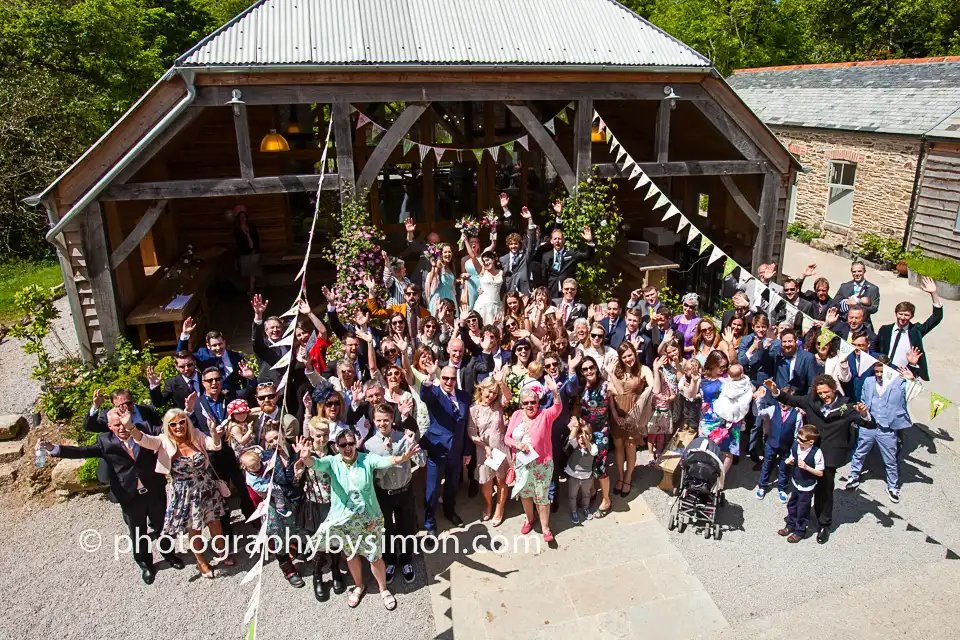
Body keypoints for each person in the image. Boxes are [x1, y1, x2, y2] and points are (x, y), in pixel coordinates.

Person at [38, 406, 185, 584]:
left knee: (163, 526)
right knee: (138, 533)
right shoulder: (104, 441)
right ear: (110, 426)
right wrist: (53, 448)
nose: (122, 428)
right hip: (129, 495)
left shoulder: (143, 429)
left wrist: (187, 411)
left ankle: (169, 555)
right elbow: (82, 451)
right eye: (117, 425)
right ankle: (146, 565)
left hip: (154, 490)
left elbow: (167, 429)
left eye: (124, 423)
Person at [296, 427, 422, 611]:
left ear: (356, 444)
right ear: (337, 446)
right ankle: (359, 586)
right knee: (352, 555)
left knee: (374, 556)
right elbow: (314, 464)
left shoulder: (366, 459)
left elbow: (386, 461)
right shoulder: (332, 462)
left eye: (351, 443)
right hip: (344, 519)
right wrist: (306, 456)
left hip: (369, 518)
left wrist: (403, 457)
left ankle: (383, 589)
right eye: (343, 444)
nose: (347, 447)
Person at [764, 375, 871, 544]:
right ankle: (796, 522)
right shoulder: (810, 400)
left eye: (826, 392)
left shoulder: (847, 406)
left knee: (825, 491)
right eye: (820, 393)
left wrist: (864, 413)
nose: (823, 396)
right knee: (801, 490)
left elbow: (868, 424)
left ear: (834, 389)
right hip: (809, 452)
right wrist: (774, 390)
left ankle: (824, 524)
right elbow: (790, 399)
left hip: (831, 455)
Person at [129, 408, 232, 578]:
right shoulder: (163, 441)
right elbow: (143, 440)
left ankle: (222, 553)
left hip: (206, 487)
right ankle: (201, 563)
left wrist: (214, 432)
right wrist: (131, 427)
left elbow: (214, 445)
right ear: (167, 426)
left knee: (215, 524)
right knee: (195, 529)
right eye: (173, 424)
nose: (179, 426)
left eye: (182, 421)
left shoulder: (196, 434)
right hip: (185, 493)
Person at [364, 404, 425, 585]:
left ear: (392, 419)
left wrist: (413, 442)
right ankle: (390, 560)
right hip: (384, 493)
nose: (382, 423)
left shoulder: (403, 438)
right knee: (387, 529)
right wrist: (388, 453)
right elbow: (374, 475)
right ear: (374, 421)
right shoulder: (370, 445)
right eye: (379, 420)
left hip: (404, 490)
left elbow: (421, 462)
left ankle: (406, 560)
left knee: (406, 527)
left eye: (386, 420)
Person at [847, 356, 915, 503]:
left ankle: (893, 486)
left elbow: (914, 391)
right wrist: (862, 411)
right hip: (869, 424)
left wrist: (911, 379)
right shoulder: (868, 382)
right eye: (876, 371)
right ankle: (854, 476)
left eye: (881, 371)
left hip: (887, 427)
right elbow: (864, 401)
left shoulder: (899, 382)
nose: (878, 375)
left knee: (890, 459)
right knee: (860, 452)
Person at [505, 376, 563, 543]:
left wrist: (555, 392)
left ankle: (545, 527)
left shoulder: (545, 415)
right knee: (525, 494)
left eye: (533, 402)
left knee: (542, 496)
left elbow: (558, 408)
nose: (529, 405)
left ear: (538, 403)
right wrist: (517, 444)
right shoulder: (516, 415)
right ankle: (529, 519)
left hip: (542, 465)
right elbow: (507, 438)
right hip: (522, 464)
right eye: (526, 403)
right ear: (521, 404)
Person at [419, 362, 470, 535]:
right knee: (433, 490)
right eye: (445, 378)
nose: (449, 382)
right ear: (440, 379)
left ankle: (450, 512)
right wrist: (430, 377)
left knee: (452, 486)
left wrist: (467, 451)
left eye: (452, 379)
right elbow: (424, 395)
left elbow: (466, 425)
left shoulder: (464, 397)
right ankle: (430, 524)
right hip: (437, 450)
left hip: (456, 450)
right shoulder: (434, 394)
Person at [873, 275, 943, 380]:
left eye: (906, 315)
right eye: (900, 314)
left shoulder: (916, 330)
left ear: (912, 316)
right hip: (885, 371)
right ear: (896, 313)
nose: (903, 318)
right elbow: (877, 348)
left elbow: (936, 317)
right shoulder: (885, 330)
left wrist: (933, 293)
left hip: (905, 374)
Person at [608, 341, 653, 498]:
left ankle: (628, 479)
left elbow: (652, 387)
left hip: (634, 414)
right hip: (618, 414)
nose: (628, 359)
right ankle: (620, 477)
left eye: (630, 355)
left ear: (635, 353)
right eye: (624, 356)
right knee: (619, 447)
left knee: (631, 446)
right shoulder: (616, 371)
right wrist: (614, 415)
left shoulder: (643, 369)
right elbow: (612, 396)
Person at [468, 372, 512, 527]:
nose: (492, 395)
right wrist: (484, 446)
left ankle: (500, 508)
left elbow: (508, 396)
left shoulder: (498, 404)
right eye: (489, 391)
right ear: (482, 389)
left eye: (495, 392)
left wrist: (501, 383)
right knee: (485, 482)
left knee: (501, 480)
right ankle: (488, 503)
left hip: (500, 448)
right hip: (484, 451)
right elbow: (472, 433)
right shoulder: (474, 409)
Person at [577, 356, 613, 518]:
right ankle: (592, 492)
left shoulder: (604, 385)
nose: (589, 371)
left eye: (591, 367)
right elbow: (577, 406)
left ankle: (606, 500)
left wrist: (610, 373)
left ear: (596, 368)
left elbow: (617, 391)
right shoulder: (581, 387)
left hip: (601, 432)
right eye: (585, 369)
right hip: (585, 431)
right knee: (588, 464)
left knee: (600, 467)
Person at [176, 317, 251, 393]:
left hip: (233, 396)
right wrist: (185, 334)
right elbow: (182, 357)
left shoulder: (236, 356)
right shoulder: (202, 355)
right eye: (214, 345)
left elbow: (244, 379)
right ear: (208, 346)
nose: (218, 348)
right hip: (211, 397)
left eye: (220, 344)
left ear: (224, 342)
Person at [531, 209, 596, 297]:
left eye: (559, 239)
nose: (557, 241)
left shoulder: (571, 253)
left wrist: (589, 241)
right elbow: (543, 276)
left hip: (568, 292)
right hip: (551, 292)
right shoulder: (546, 256)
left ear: (563, 240)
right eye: (555, 239)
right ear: (551, 241)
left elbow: (588, 256)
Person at [778, 424, 825, 543]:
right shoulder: (796, 446)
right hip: (795, 481)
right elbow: (792, 456)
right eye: (797, 438)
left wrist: (807, 467)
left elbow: (820, 473)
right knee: (792, 505)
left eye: (801, 440)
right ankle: (790, 525)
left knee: (802, 509)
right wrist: (790, 460)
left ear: (811, 442)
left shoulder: (817, 453)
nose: (798, 441)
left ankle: (799, 531)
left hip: (807, 486)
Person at [756, 389, 803, 503]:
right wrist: (760, 399)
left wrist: (794, 452)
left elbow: (797, 434)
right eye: (781, 401)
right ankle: (762, 486)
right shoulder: (773, 409)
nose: (783, 404)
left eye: (786, 402)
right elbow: (760, 412)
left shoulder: (797, 415)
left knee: (784, 468)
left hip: (786, 446)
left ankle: (782, 488)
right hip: (771, 443)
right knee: (767, 465)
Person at [499, 196, 539, 295]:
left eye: (515, 243)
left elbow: (532, 242)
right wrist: (505, 209)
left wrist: (530, 219)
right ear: (508, 245)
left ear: (519, 244)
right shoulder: (502, 259)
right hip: (508, 292)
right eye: (511, 244)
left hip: (523, 292)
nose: (513, 246)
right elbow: (511, 225)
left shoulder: (525, 256)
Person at [564, 417, 598, 524]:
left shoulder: (593, 447)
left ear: (590, 437)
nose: (582, 440)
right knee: (572, 495)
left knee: (586, 494)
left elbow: (593, 452)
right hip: (574, 476)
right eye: (579, 438)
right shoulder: (575, 446)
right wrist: (576, 427)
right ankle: (574, 511)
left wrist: (586, 440)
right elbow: (570, 439)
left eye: (585, 437)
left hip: (586, 477)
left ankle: (585, 508)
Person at [834, 261, 881, 327]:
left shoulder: (873, 289)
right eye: (854, 271)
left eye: (859, 271)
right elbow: (834, 303)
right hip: (845, 323)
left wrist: (857, 306)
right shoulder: (844, 286)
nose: (856, 274)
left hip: (864, 324)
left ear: (864, 271)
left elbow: (874, 308)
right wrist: (844, 303)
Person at [234, 205, 262, 295]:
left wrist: (255, 249)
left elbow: (256, 239)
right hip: (245, 253)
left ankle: (252, 289)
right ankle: (250, 289)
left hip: (253, 252)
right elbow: (239, 243)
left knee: (253, 272)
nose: (243, 218)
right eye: (241, 217)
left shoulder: (252, 228)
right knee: (248, 272)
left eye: (244, 216)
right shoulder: (237, 230)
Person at [426, 243, 457, 316]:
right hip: (440, 297)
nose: (448, 254)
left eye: (449, 252)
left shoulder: (451, 267)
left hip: (450, 297)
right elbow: (430, 279)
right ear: (441, 254)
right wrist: (434, 267)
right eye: (445, 252)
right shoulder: (439, 266)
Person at [474, 251, 504, 324]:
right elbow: (473, 256)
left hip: (496, 304)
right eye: (484, 261)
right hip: (483, 304)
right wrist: (478, 289)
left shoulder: (501, 272)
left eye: (487, 260)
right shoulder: (482, 272)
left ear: (493, 260)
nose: (486, 263)